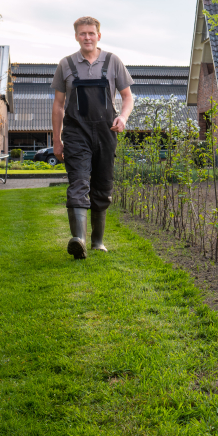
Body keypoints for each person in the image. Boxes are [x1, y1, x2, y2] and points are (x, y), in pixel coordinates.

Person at [51, 16, 134, 259]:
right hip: (76, 133)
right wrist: (57, 139)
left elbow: (128, 96)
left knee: (102, 185)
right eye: (82, 33)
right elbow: (58, 105)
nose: (87, 37)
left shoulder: (113, 61)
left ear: (99, 35)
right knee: (78, 182)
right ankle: (80, 241)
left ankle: (97, 241)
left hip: (106, 133)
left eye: (91, 33)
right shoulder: (65, 65)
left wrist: (124, 118)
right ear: (76, 36)